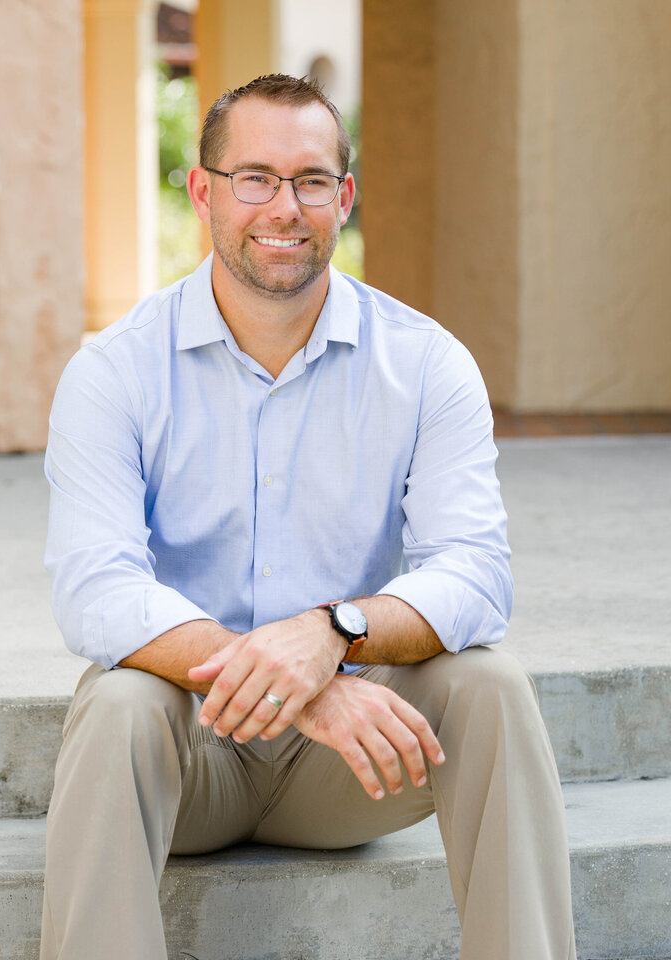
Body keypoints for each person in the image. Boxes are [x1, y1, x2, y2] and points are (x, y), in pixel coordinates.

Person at [40, 74, 576, 960]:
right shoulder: (114, 371)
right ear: (203, 190)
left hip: (354, 767)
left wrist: (337, 632)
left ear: (344, 197)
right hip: (192, 756)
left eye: (311, 181)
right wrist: (300, 682)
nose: (284, 208)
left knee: (492, 687)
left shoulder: (427, 365)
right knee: (119, 703)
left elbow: (476, 573)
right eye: (255, 177)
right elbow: (97, 591)